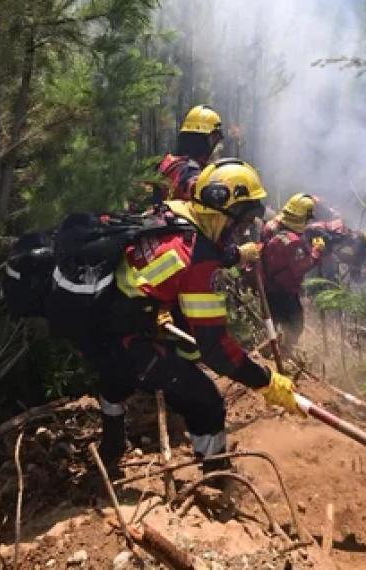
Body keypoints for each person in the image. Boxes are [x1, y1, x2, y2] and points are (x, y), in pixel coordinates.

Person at [78, 159, 303, 472]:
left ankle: (111, 447)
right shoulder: (199, 261)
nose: (239, 231)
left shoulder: (174, 212)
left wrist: (152, 308)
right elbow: (215, 349)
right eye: (239, 222)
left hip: (103, 325)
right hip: (124, 340)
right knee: (207, 401)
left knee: (117, 381)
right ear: (221, 210)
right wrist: (266, 383)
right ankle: (215, 477)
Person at [260, 193, 327, 355]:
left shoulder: (270, 226)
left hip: (267, 287)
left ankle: (270, 351)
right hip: (285, 290)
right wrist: (316, 253)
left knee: (272, 323)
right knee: (296, 324)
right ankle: (284, 353)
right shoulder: (292, 241)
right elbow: (300, 267)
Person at [152, 105, 224, 203]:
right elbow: (191, 183)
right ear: (206, 142)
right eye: (216, 139)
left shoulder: (169, 164)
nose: (220, 147)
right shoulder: (189, 170)